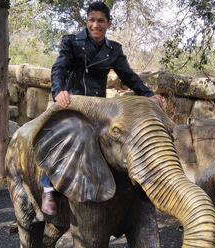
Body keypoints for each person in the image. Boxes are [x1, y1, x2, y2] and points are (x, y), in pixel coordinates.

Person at [41, 1, 164, 215]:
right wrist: (59, 90)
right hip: (71, 102)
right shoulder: (71, 42)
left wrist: (147, 94)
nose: (95, 25)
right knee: (58, 135)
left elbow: (128, 76)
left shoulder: (113, 50)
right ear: (86, 21)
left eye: (100, 21)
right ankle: (48, 187)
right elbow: (59, 67)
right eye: (91, 20)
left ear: (108, 23)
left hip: (99, 106)